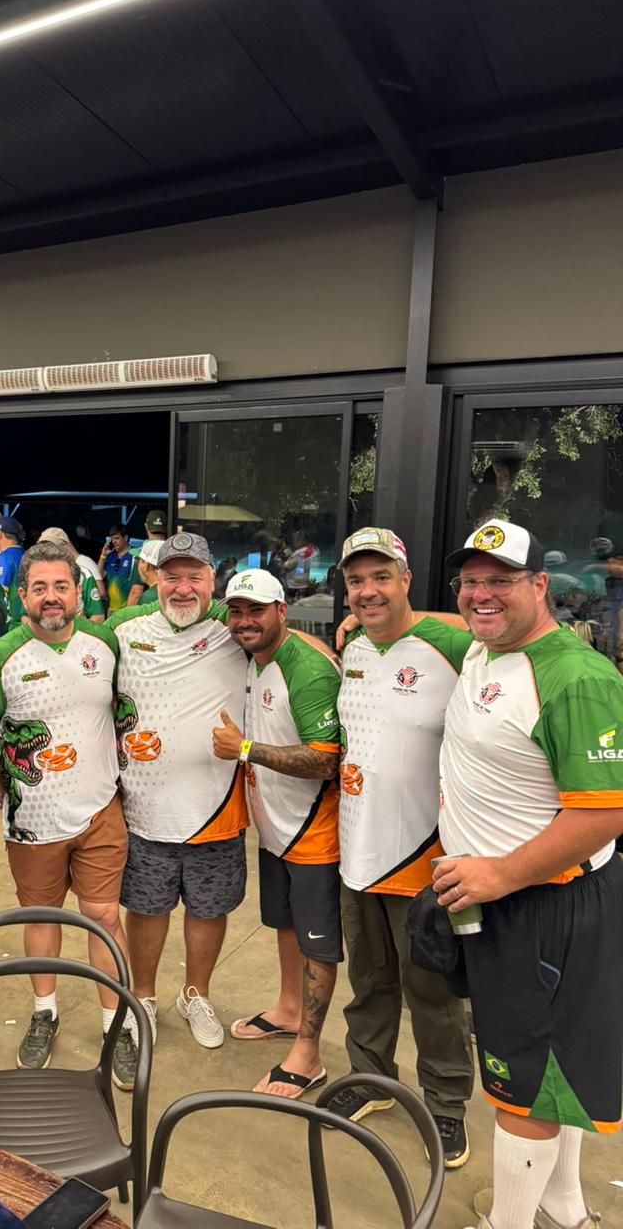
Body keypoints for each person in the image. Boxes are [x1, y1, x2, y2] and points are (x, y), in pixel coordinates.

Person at [436, 520, 623, 1229]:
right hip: (507, 900)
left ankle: (506, 1223)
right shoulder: (486, 649)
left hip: (543, 905)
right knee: (554, 1068)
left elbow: (605, 813)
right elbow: (447, 620)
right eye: (470, 582)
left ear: (540, 586)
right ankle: (565, 1206)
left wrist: (500, 876)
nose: (482, 595)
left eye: (501, 581)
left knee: (522, 1080)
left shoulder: (577, 677)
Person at [329, 526, 474, 1169]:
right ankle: (370, 1081)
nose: (368, 591)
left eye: (381, 577)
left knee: (434, 996)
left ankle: (446, 1105)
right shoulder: (355, 648)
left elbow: (507, 630)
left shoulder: (452, 645)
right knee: (369, 983)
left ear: (406, 580)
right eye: (356, 580)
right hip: (357, 849)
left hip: (425, 858)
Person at [0, 540, 137, 1087]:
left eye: (60, 586)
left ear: (77, 592)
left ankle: (116, 1023)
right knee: (41, 918)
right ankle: (45, 1012)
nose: (51, 597)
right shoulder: (1, 656)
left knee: (103, 917)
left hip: (99, 811)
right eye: (39, 587)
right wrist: (6, 792)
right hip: (33, 821)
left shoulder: (103, 642)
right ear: (22, 595)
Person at [106, 531, 249, 1049]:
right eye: (172, 577)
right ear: (155, 579)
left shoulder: (238, 630)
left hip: (216, 806)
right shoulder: (123, 630)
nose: (183, 588)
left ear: (213, 580)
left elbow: (298, 646)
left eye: (194, 576)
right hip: (143, 807)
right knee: (146, 908)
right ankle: (143, 996)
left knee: (209, 909)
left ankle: (195, 995)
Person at [213, 569, 342, 1099]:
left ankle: (308, 1054)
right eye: (236, 611)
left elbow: (325, 760)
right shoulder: (255, 656)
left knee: (318, 945)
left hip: (313, 833)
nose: (245, 621)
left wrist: (244, 750)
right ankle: (290, 1009)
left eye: (257, 610)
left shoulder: (306, 669)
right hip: (275, 827)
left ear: (282, 611)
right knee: (285, 925)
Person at [39, 528, 105, 623]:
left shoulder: (83, 574)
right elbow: (25, 615)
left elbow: (98, 616)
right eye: (44, 549)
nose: (48, 552)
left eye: (52, 548)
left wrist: (77, 631)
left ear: (65, 546)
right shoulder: (36, 576)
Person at [0, 516, 25, 626]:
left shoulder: (4, 558)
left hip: (12, 620)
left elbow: (0, 591)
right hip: (25, 616)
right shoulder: (25, 554)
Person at [126, 512, 167, 608]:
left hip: (148, 606)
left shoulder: (143, 553)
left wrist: (127, 614)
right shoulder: (172, 550)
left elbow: (136, 592)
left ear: (146, 526)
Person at [99, 525, 136, 614]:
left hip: (128, 609)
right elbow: (99, 576)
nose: (113, 541)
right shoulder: (111, 556)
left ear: (125, 538)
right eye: (112, 539)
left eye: (117, 538)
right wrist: (103, 556)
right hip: (111, 610)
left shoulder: (135, 555)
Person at [133, 540, 162, 605]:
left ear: (145, 565)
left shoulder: (148, 598)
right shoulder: (169, 590)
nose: (137, 565)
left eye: (138, 560)